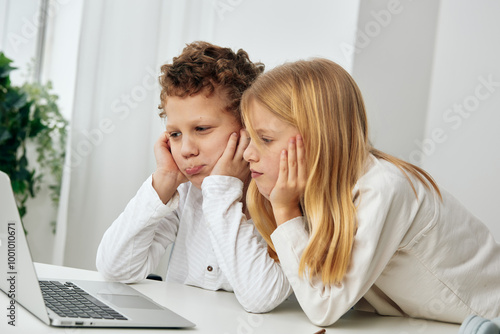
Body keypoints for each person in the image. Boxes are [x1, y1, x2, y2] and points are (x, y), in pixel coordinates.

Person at [241, 58, 500, 326]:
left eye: (265, 139)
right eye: (249, 138)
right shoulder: (311, 193)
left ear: (320, 138)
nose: (248, 154)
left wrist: (284, 211)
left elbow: (323, 308)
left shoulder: (383, 188)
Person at [96, 41, 292, 313]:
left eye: (201, 128)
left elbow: (261, 298)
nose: (186, 150)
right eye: (175, 134)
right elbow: (115, 269)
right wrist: (163, 180)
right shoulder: (188, 192)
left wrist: (222, 191)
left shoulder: (284, 196)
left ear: (248, 126)